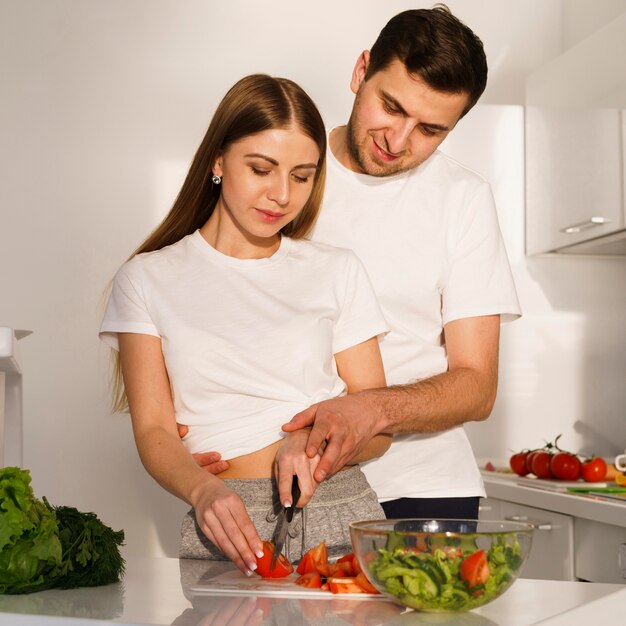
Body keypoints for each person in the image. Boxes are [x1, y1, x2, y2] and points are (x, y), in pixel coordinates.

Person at [99, 74, 391, 576]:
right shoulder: (146, 279)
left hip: (340, 505)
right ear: (217, 160)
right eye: (261, 168)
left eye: (301, 176)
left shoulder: (337, 270)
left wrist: (314, 439)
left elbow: (378, 426)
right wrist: (202, 488)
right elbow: (153, 429)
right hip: (227, 521)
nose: (281, 194)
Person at [280, 5, 522, 520]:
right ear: (359, 71)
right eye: (391, 107)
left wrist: (370, 409)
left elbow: (476, 386)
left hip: (422, 492)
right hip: (278, 482)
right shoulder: (282, 175)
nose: (397, 141)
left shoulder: (464, 199)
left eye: (430, 130)